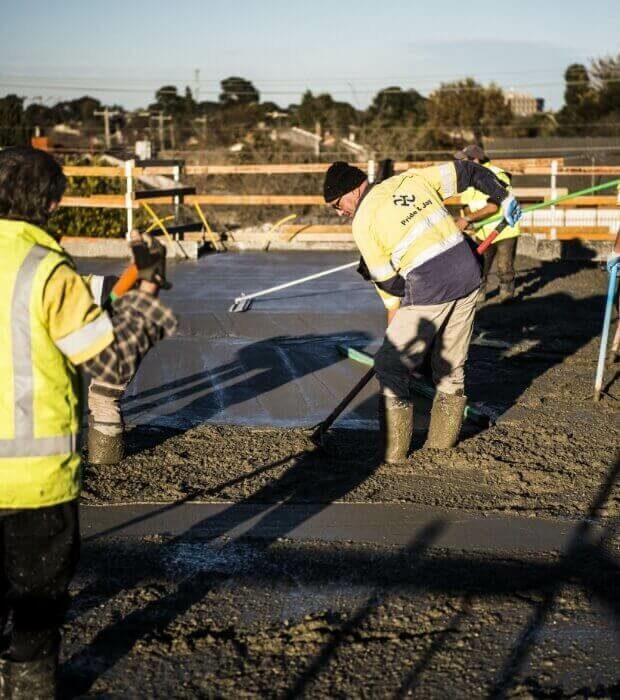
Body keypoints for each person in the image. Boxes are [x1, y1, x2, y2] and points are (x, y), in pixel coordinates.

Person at [0, 147, 177, 697]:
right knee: (37, 593)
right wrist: (147, 289)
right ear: (50, 202)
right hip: (31, 477)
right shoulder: (44, 268)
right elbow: (107, 358)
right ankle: (27, 682)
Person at [323, 159, 521, 463]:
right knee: (451, 369)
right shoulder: (411, 179)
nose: (339, 212)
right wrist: (505, 197)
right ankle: (441, 447)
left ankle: (394, 454)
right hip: (468, 275)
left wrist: (412, 316)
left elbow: (390, 283)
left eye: (337, 204)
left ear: (352, 190)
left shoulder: (362, 223)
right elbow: (469, 171)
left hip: (431, 285)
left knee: (390, 366)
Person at [454, 144, 521, 303]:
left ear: (475, 159)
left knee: (504, 265)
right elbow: (466, 204)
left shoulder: (497, 175)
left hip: (503, 228)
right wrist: (469, 219)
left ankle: (506, 296)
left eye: (464, 160)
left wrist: (468, 219)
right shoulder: (467, 179)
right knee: (480, 264)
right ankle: (480, 293)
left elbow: (493, 206)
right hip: (481, 230)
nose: (460, 164)